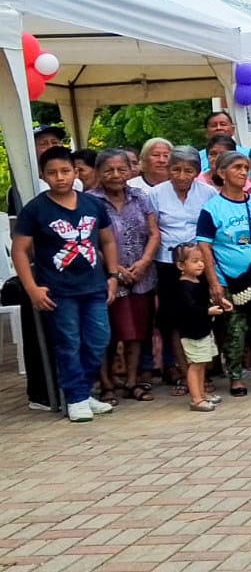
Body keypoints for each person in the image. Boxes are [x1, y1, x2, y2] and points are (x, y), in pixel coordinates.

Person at [12, 147, 121, 422]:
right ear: (43, 175)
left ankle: (82, 391)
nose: (60, 177)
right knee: (68, 342)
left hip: (94, 286)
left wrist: (113, 276)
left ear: (76, 172)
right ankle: (76, 398)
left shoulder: (93, 204)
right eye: (52, 173)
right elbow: (19, 251)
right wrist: (32, 288)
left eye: (65, 171)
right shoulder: (35, 209)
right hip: (58, 289)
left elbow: (108, 241)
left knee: (99, 339)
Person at [196, 151, 251, 396]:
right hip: (229, 281)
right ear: (222, 173)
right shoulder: (212, 208)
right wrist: (213, 282)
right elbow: (204, 246)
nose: (243, 172)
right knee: (235, 331)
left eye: (245, 167)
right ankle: (236, 378)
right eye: (236, 167)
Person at [88, 150, 160, 403]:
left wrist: (144, 262)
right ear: (98, 172)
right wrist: (115, 268)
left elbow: (154, 233)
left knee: (137, 331)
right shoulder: (89, 201)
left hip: (142, 275)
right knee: (106, 333)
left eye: (121, 169)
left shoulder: (140, 196)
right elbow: (88, 240)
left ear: (130, 170)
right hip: (107, 277)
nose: (116, 175)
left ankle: (132, 381)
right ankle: (107, 384)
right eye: (109, 170)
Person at [148, 147, 217, 396]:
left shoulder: (208, 193)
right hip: (168, 264)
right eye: (176, 169)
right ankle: (184, 372)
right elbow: (153, 229)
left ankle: (203, 374)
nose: (181, 175)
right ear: (168, 170)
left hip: (199, 262)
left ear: (197, 172)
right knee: (176, 320)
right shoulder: (156, 193)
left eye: (188, 170)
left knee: (201, 315)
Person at [169, 242, 227, 412]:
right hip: (192, 333)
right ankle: (196, 399)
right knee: (195, 365)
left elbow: (203, 301)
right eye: (195, 261)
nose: (200, 264)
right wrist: (208, 311)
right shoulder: (183, 286)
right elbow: (189, 308)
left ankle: (201, 393)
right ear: (181, 265)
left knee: (202, 363)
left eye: (202, 260)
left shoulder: (198, 282)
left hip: (203, 330)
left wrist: (219, 302)